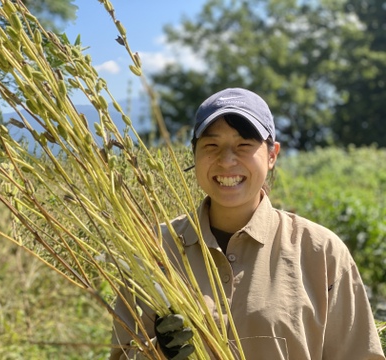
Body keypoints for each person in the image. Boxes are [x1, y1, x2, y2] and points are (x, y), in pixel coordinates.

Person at [109, 88, 385, 359]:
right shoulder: (155, 249)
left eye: (244, 145)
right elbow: (122, 355)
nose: (227, 160)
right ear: (193, 153)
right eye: (211, 145)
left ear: (273, 154)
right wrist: (156, 353)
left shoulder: (321, 252)